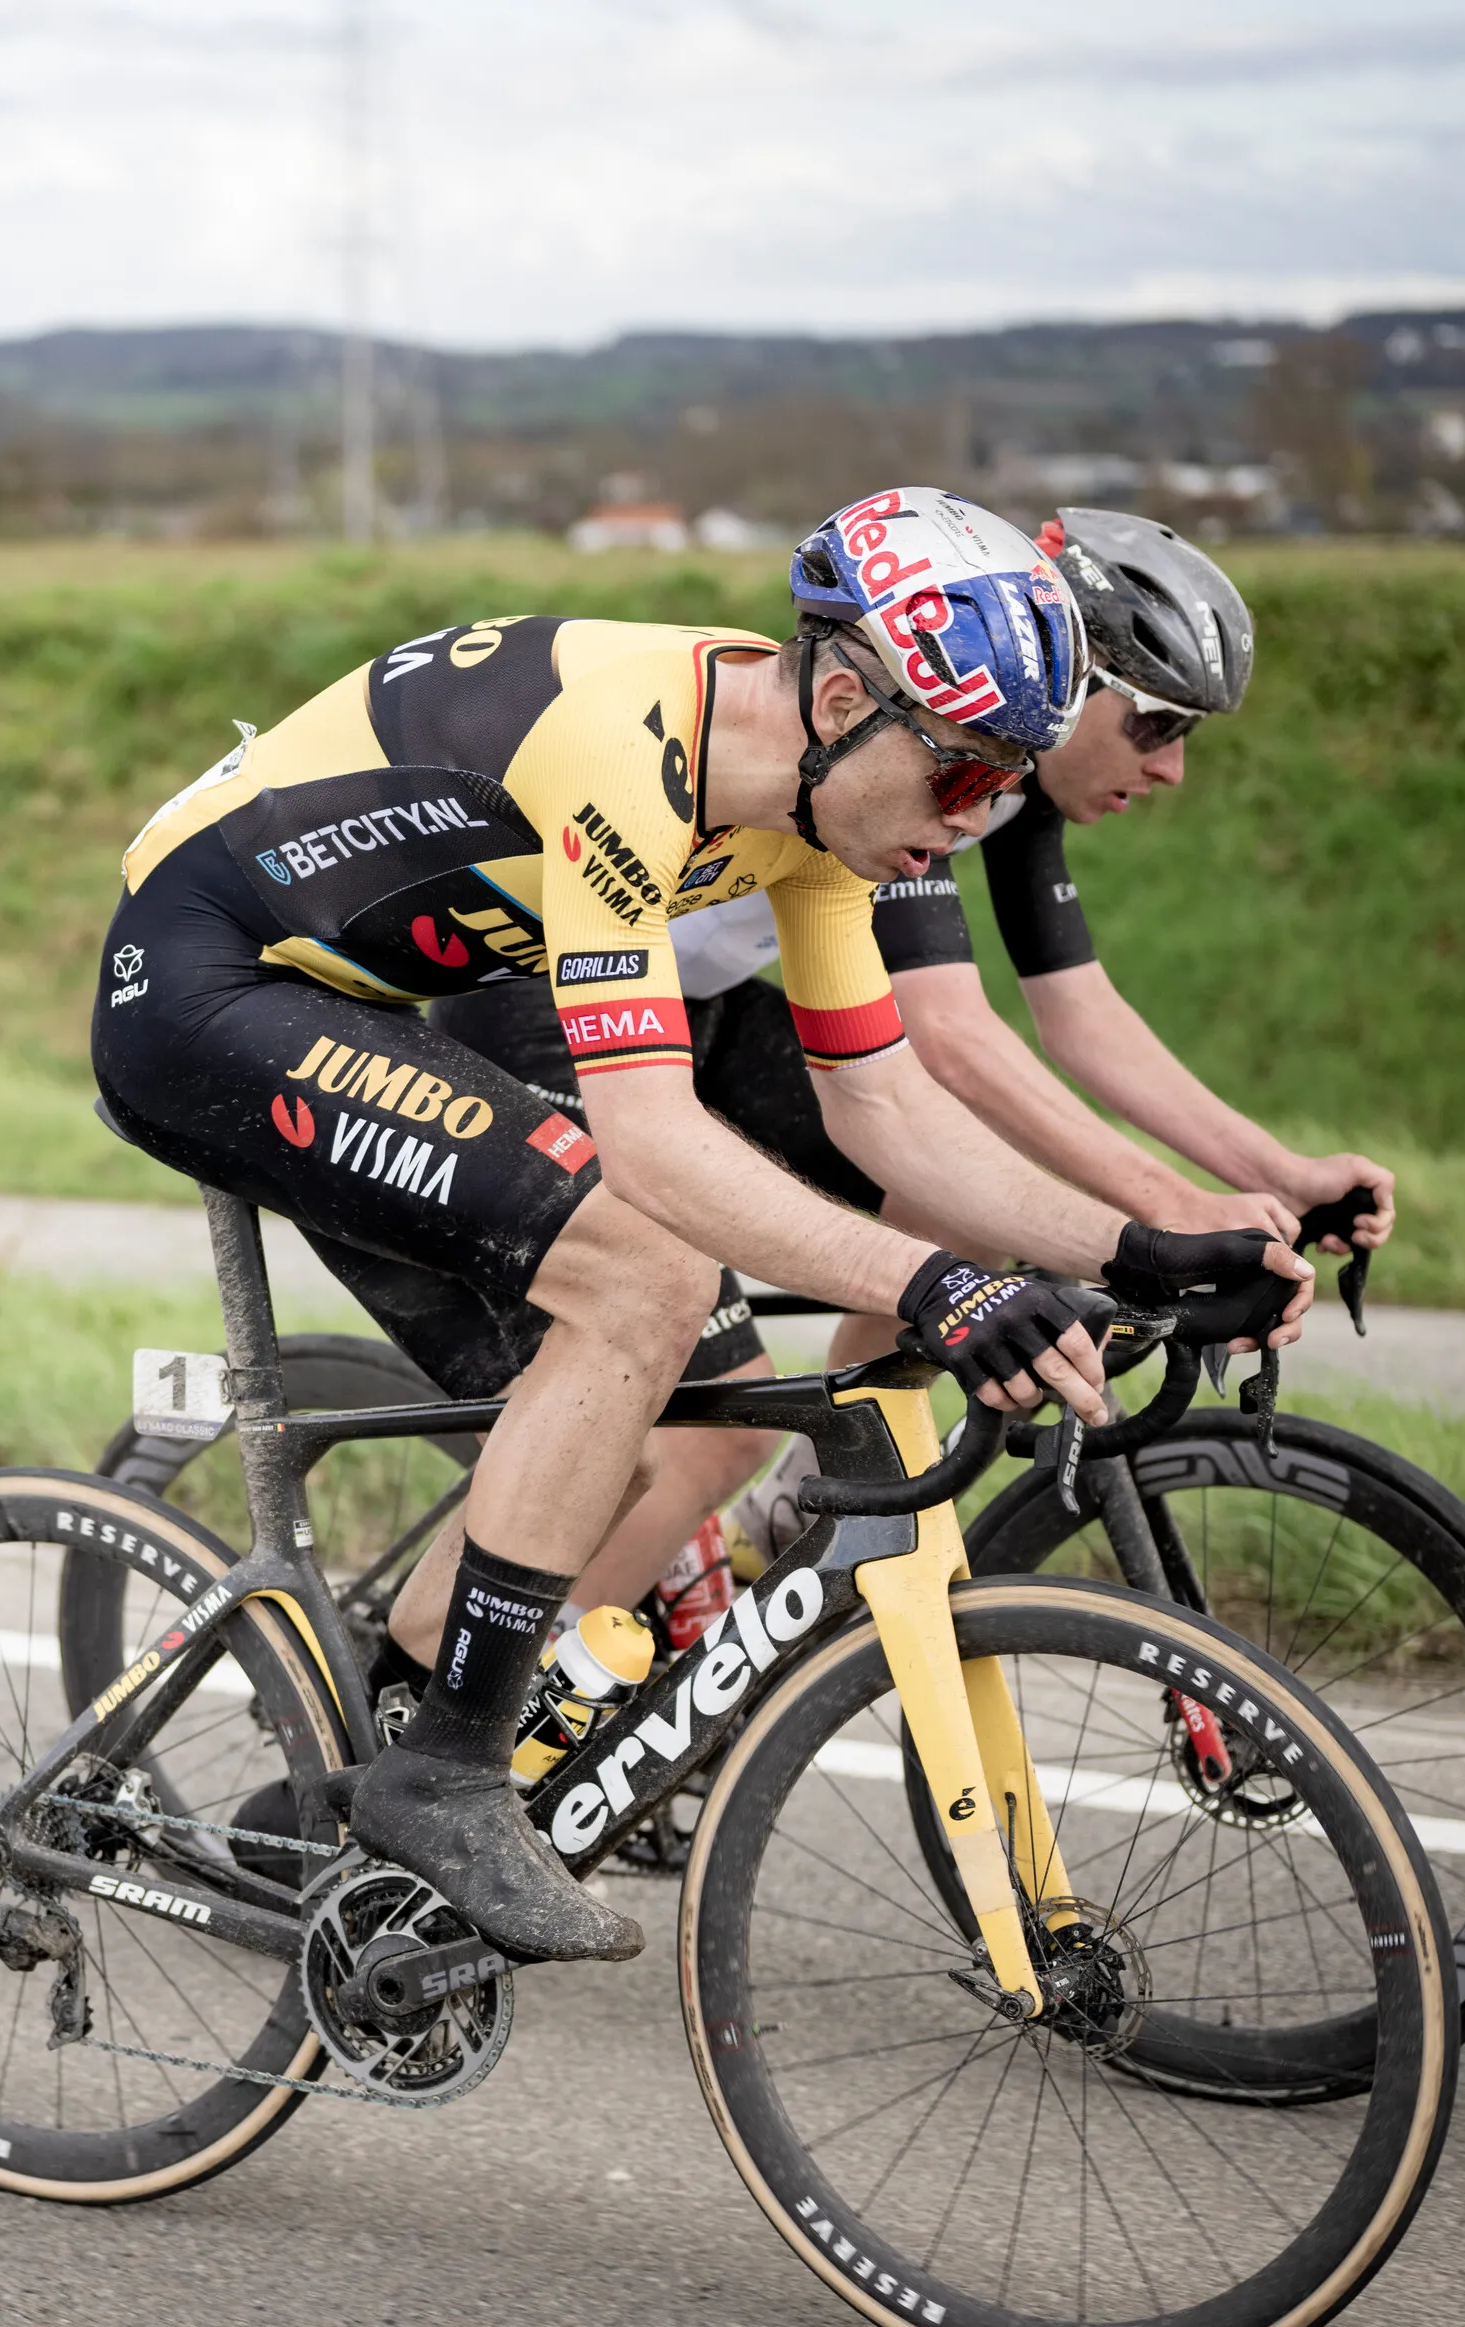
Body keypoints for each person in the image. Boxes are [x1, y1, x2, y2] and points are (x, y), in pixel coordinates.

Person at [87, 487, 1309, 1963]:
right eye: (963, 774)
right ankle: (445, 1768)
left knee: (681, 1349)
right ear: (847, 695)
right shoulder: (632, 745)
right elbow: (653, 1137)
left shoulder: (811, 812)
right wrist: (936, 1290)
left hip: (348, 999)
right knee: (648, 1270)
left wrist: (1135, 1247)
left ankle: (445, 1730)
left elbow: (889, 1110)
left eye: (1003, 785)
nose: (975, 821)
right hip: (209, 987)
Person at [431, 509, 1391, 1608]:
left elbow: (1080, 1015)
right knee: (717, 1421)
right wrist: (1165, 1213)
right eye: (1157, 724)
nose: (1171, 768)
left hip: (702, 1010)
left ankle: (798, 1522)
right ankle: (536, 1707)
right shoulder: (918, 761)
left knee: (956, 1209)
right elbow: (951, 1038)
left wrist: (1272, 1175)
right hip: (539, 1004)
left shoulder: (1001, 788)